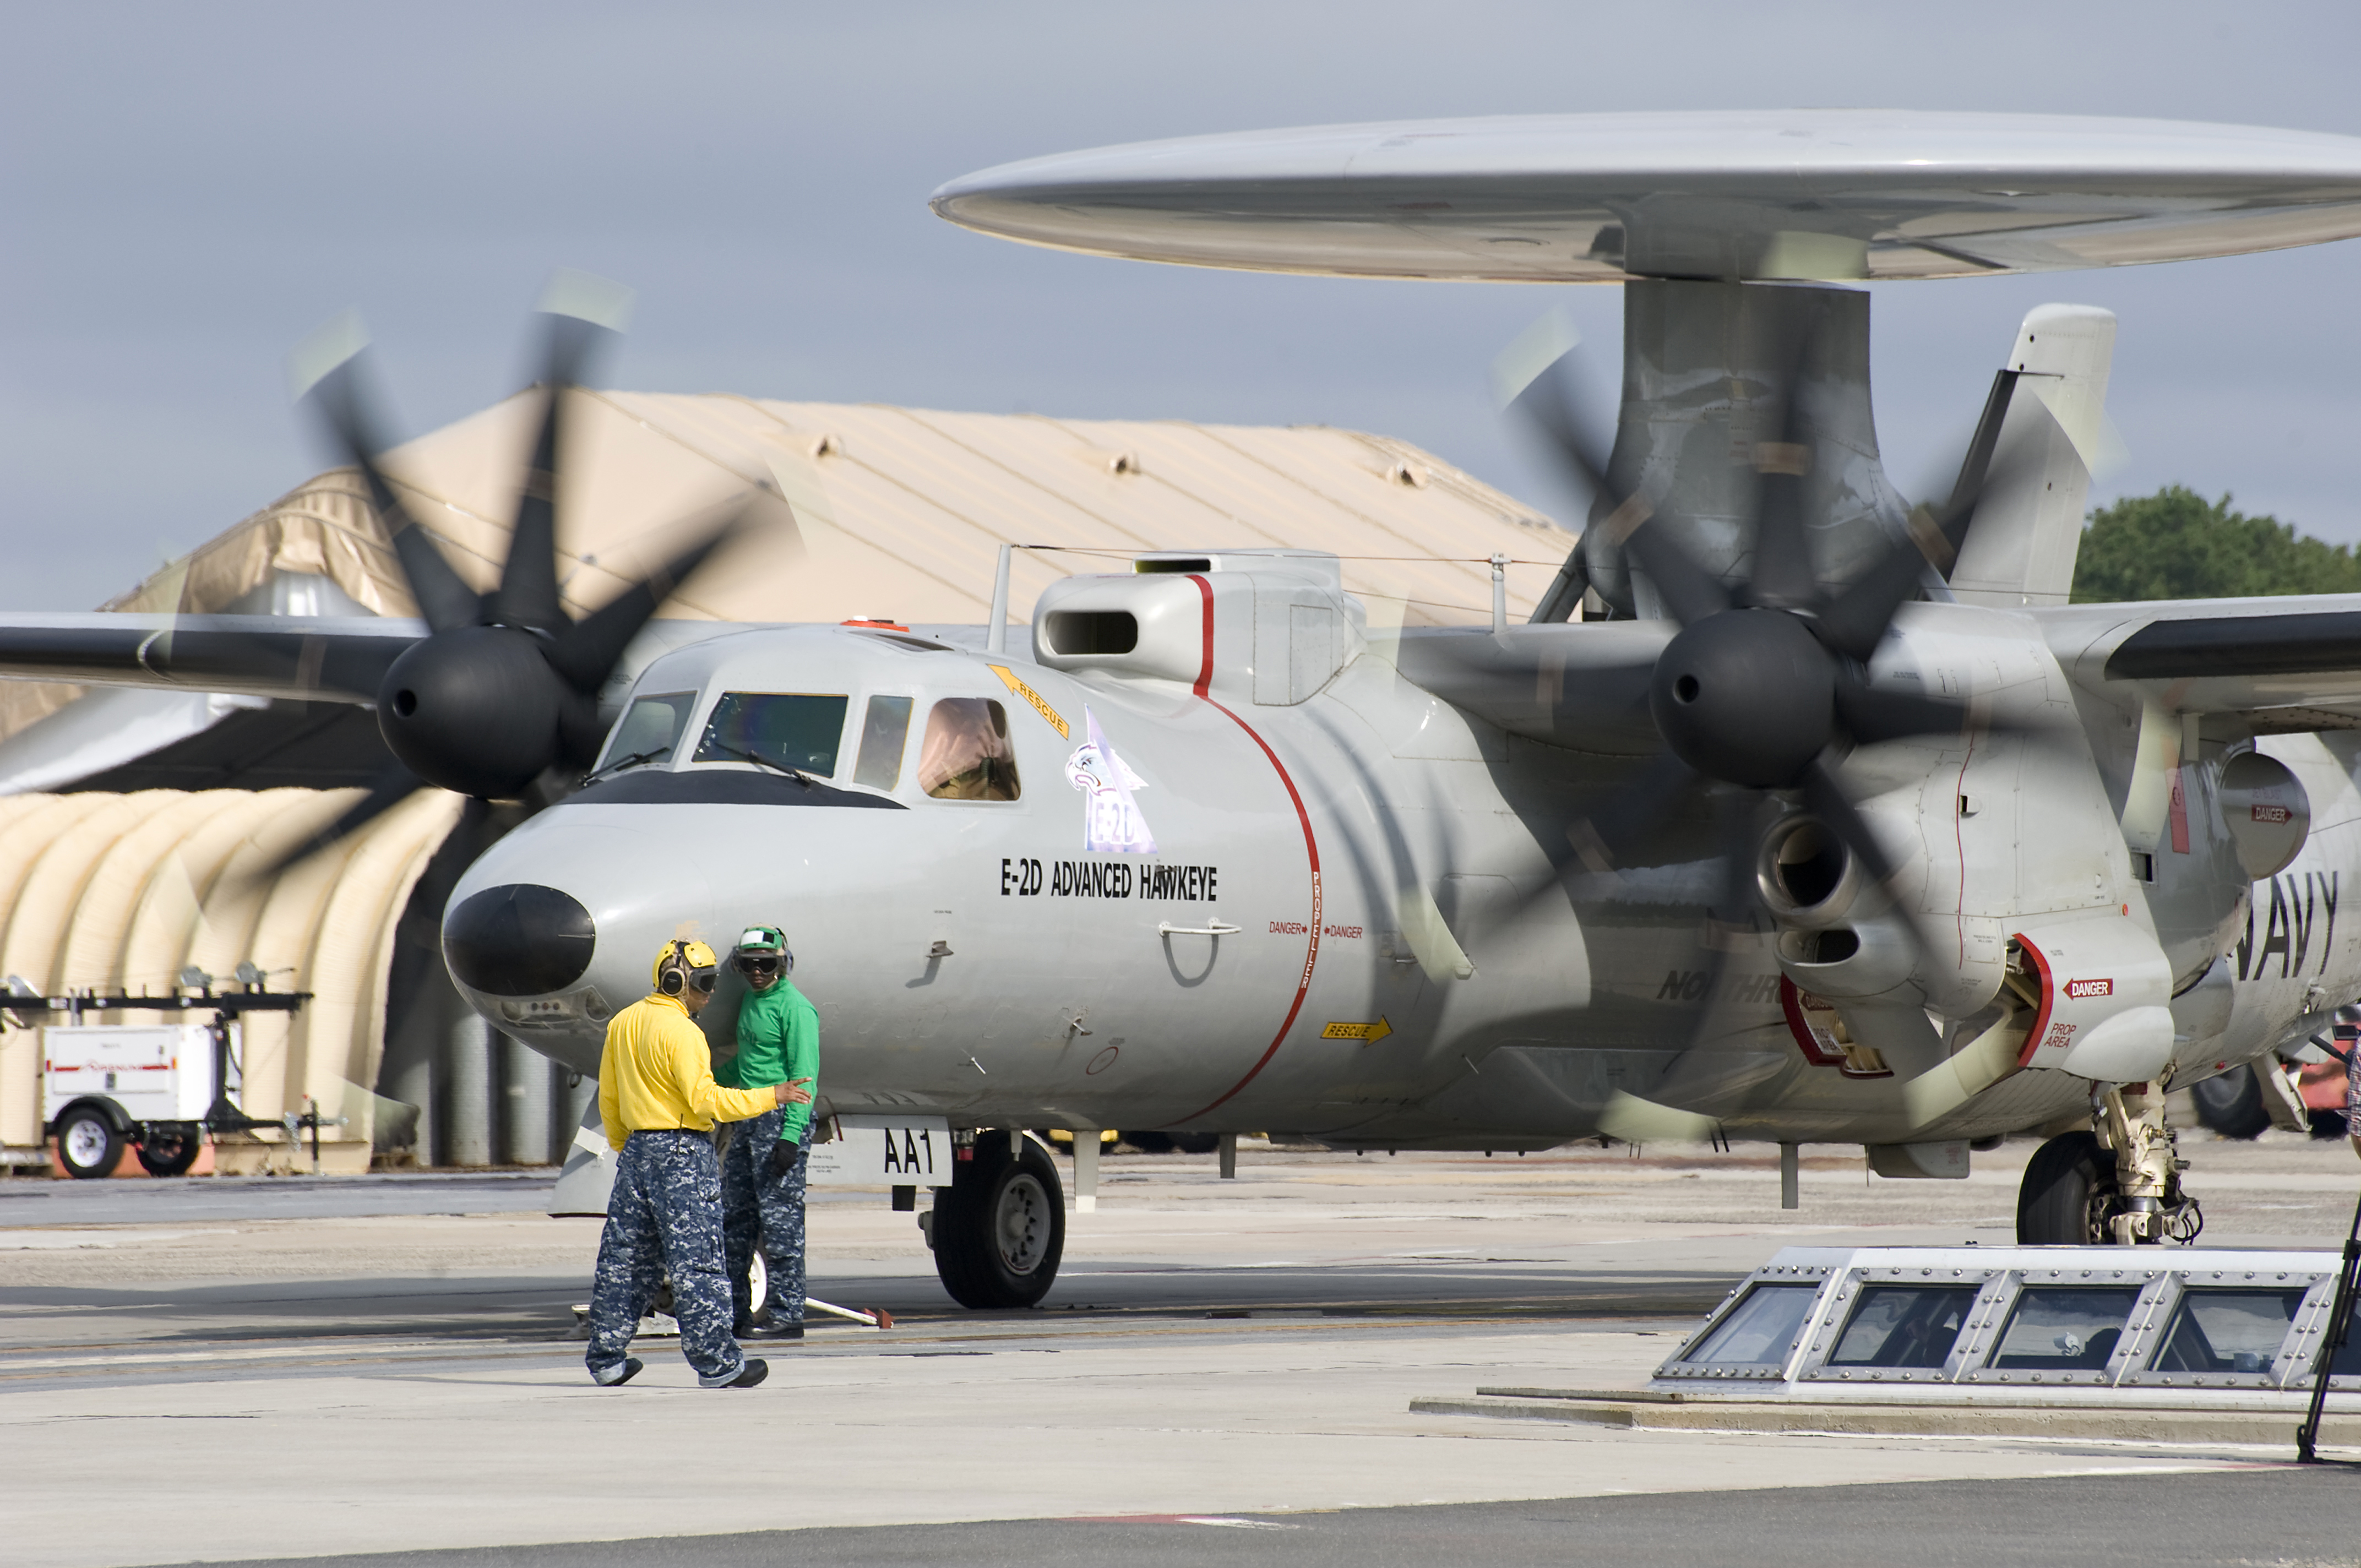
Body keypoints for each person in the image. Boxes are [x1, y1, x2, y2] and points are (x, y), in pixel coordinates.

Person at [584, 938, 812, 1389]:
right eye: (705, 984)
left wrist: (625, 1149)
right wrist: (773, 1096)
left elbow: (609, 1097)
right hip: (682, 1153)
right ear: (678, 982)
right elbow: (705, 1102)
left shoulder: (624, 1023)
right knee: (699, 1263)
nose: (708, 995)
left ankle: (606, 1358)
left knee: (624, 1260)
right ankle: (718, 1364)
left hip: (636, 1152)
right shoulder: (685, 1033)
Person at [720, 924, 821, 1341]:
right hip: (747, 1114)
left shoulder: (795, 1009)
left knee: (780, 1223)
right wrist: (704, 1081)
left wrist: (790, 1137)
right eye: (749, 965)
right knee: (736, 1219)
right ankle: (736, 1312)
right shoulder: (749, 1000)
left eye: (765, 965)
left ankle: (787, 1314)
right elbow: (746, 1065)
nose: (757, 972)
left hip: (779, 1119)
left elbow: (804, 1079)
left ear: (782, 964)